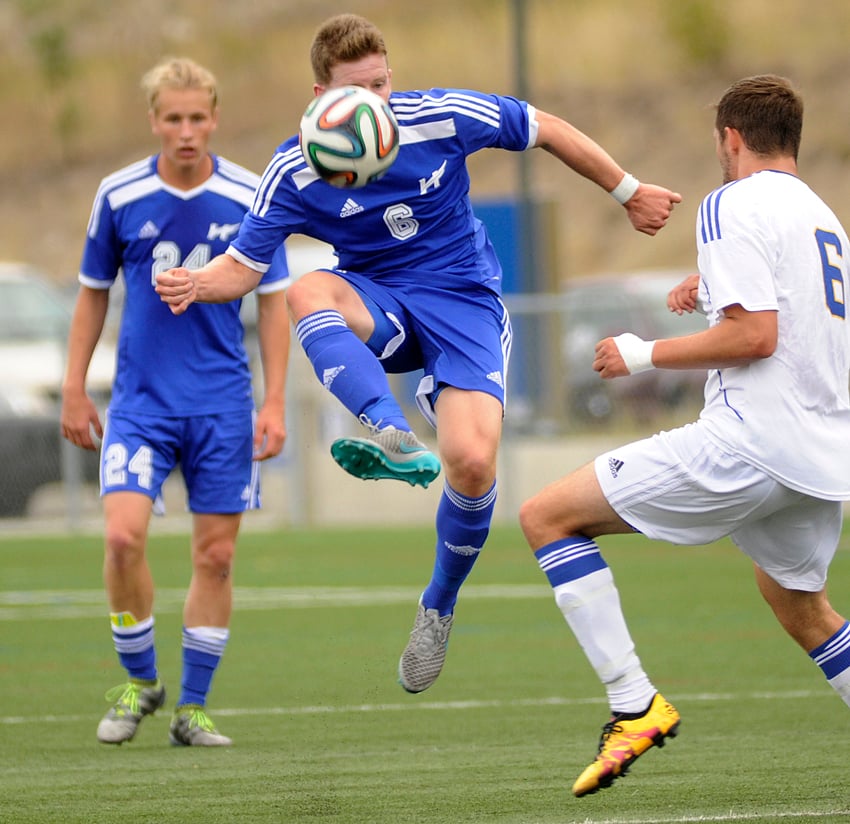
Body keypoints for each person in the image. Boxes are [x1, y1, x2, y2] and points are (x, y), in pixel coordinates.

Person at [154, 13, 680, 695]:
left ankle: (438, 604)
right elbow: (245, 267)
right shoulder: (295, 167)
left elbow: (545, 127)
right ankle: (388, 426)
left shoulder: (438, 117)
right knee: (309, 287)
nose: (375, 104)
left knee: (469, 461)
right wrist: (198, 282)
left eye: (381, 84)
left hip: (463, 304)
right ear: (321, 98)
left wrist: (628, 191)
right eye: (357, 92)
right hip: (381, 303)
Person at [519, 74, 850, 797]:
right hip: (822, 460)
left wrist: (643, 352)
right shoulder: (825, 219)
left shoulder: (729, 202)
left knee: (546, 517)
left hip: (750, 446)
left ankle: (634, 704)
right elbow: (788, 318)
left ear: (730, 140)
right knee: (804, 611)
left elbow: (755, 337)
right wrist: (708, 293)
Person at [61, 57, 290, 747]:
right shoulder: (120, 194)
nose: (186, 131)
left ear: (215, 118)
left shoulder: (251, 194)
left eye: (198, 117)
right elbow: (92, 291)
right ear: (154, 120)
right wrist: (75, 387)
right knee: (122, 537)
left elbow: (275, 303)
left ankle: (191, 708)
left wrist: (275, 400)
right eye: (173, 118)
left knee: (216, 558)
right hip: (141, 404)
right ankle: (140, 682)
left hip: (222, 404)